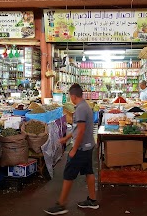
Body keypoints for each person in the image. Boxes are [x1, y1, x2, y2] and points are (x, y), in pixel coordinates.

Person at [44, 84, 98, 215]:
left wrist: (74, 149)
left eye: (69, 96)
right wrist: (67, 138)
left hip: (81, 148)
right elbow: (77, 128)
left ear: (73, 96)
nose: (70, 98)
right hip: (88, 146)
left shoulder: (80, 109)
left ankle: (61, 204)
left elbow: (81, 131)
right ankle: (92, 200)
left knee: (68, 175)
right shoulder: (85, 106)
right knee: (89, 172)